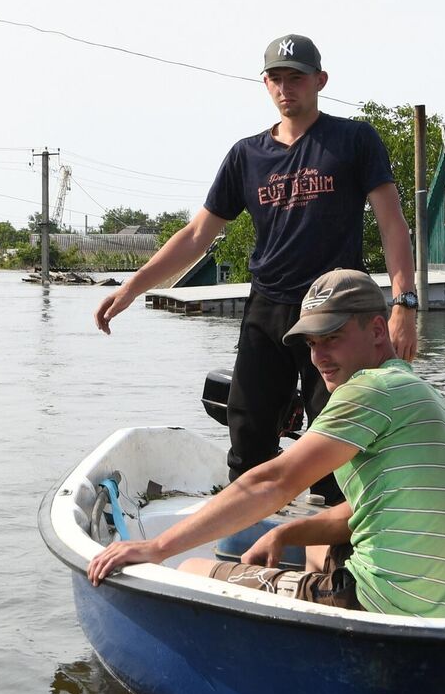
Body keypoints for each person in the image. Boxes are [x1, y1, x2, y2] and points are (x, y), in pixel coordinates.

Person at [94, 34, 419, 498]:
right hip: (267, 309)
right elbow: (195, 235)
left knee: (337, 444)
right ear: (266, 84)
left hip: (335, 311)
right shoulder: (247, 155)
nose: (287, 88)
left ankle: (338, 559)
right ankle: (246, 546)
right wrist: (131, 289)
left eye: (297, 78)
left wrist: (403, 306)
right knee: (248, 439)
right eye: (276, 79)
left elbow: (392, 223)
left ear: (319, 81)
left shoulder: (353, 139)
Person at [87, 269, 445, 619]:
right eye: (311, 344)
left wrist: (156, 548)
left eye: (332, 337)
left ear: (378, 331)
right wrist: (284, 534)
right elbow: (368, 507)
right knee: (313, 546)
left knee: (190, 568)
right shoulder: (417, 391)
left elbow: (273, 482)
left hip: (383, 605)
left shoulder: (368, 389)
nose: (319, 357)